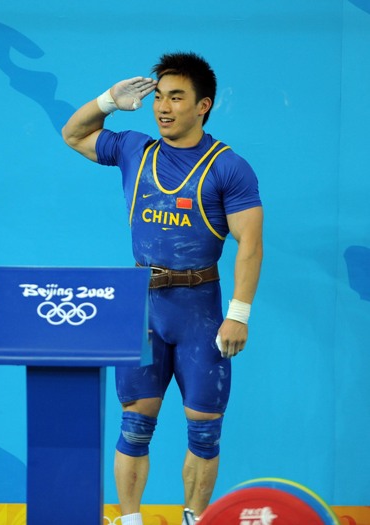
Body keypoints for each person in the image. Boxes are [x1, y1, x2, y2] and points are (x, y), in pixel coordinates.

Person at [62, 52, 263, 524]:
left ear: (203, 105)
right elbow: (73, 133)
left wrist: (240, 312)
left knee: (205, 431)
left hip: (201, 312)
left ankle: (196, 518)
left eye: (177, 97)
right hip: (142, 308)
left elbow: (250, 243)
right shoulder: (134, 148)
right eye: (158, 97)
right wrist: (108, 100)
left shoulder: (228, 167)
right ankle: (130, 520)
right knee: (134, 426)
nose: (163, 107)